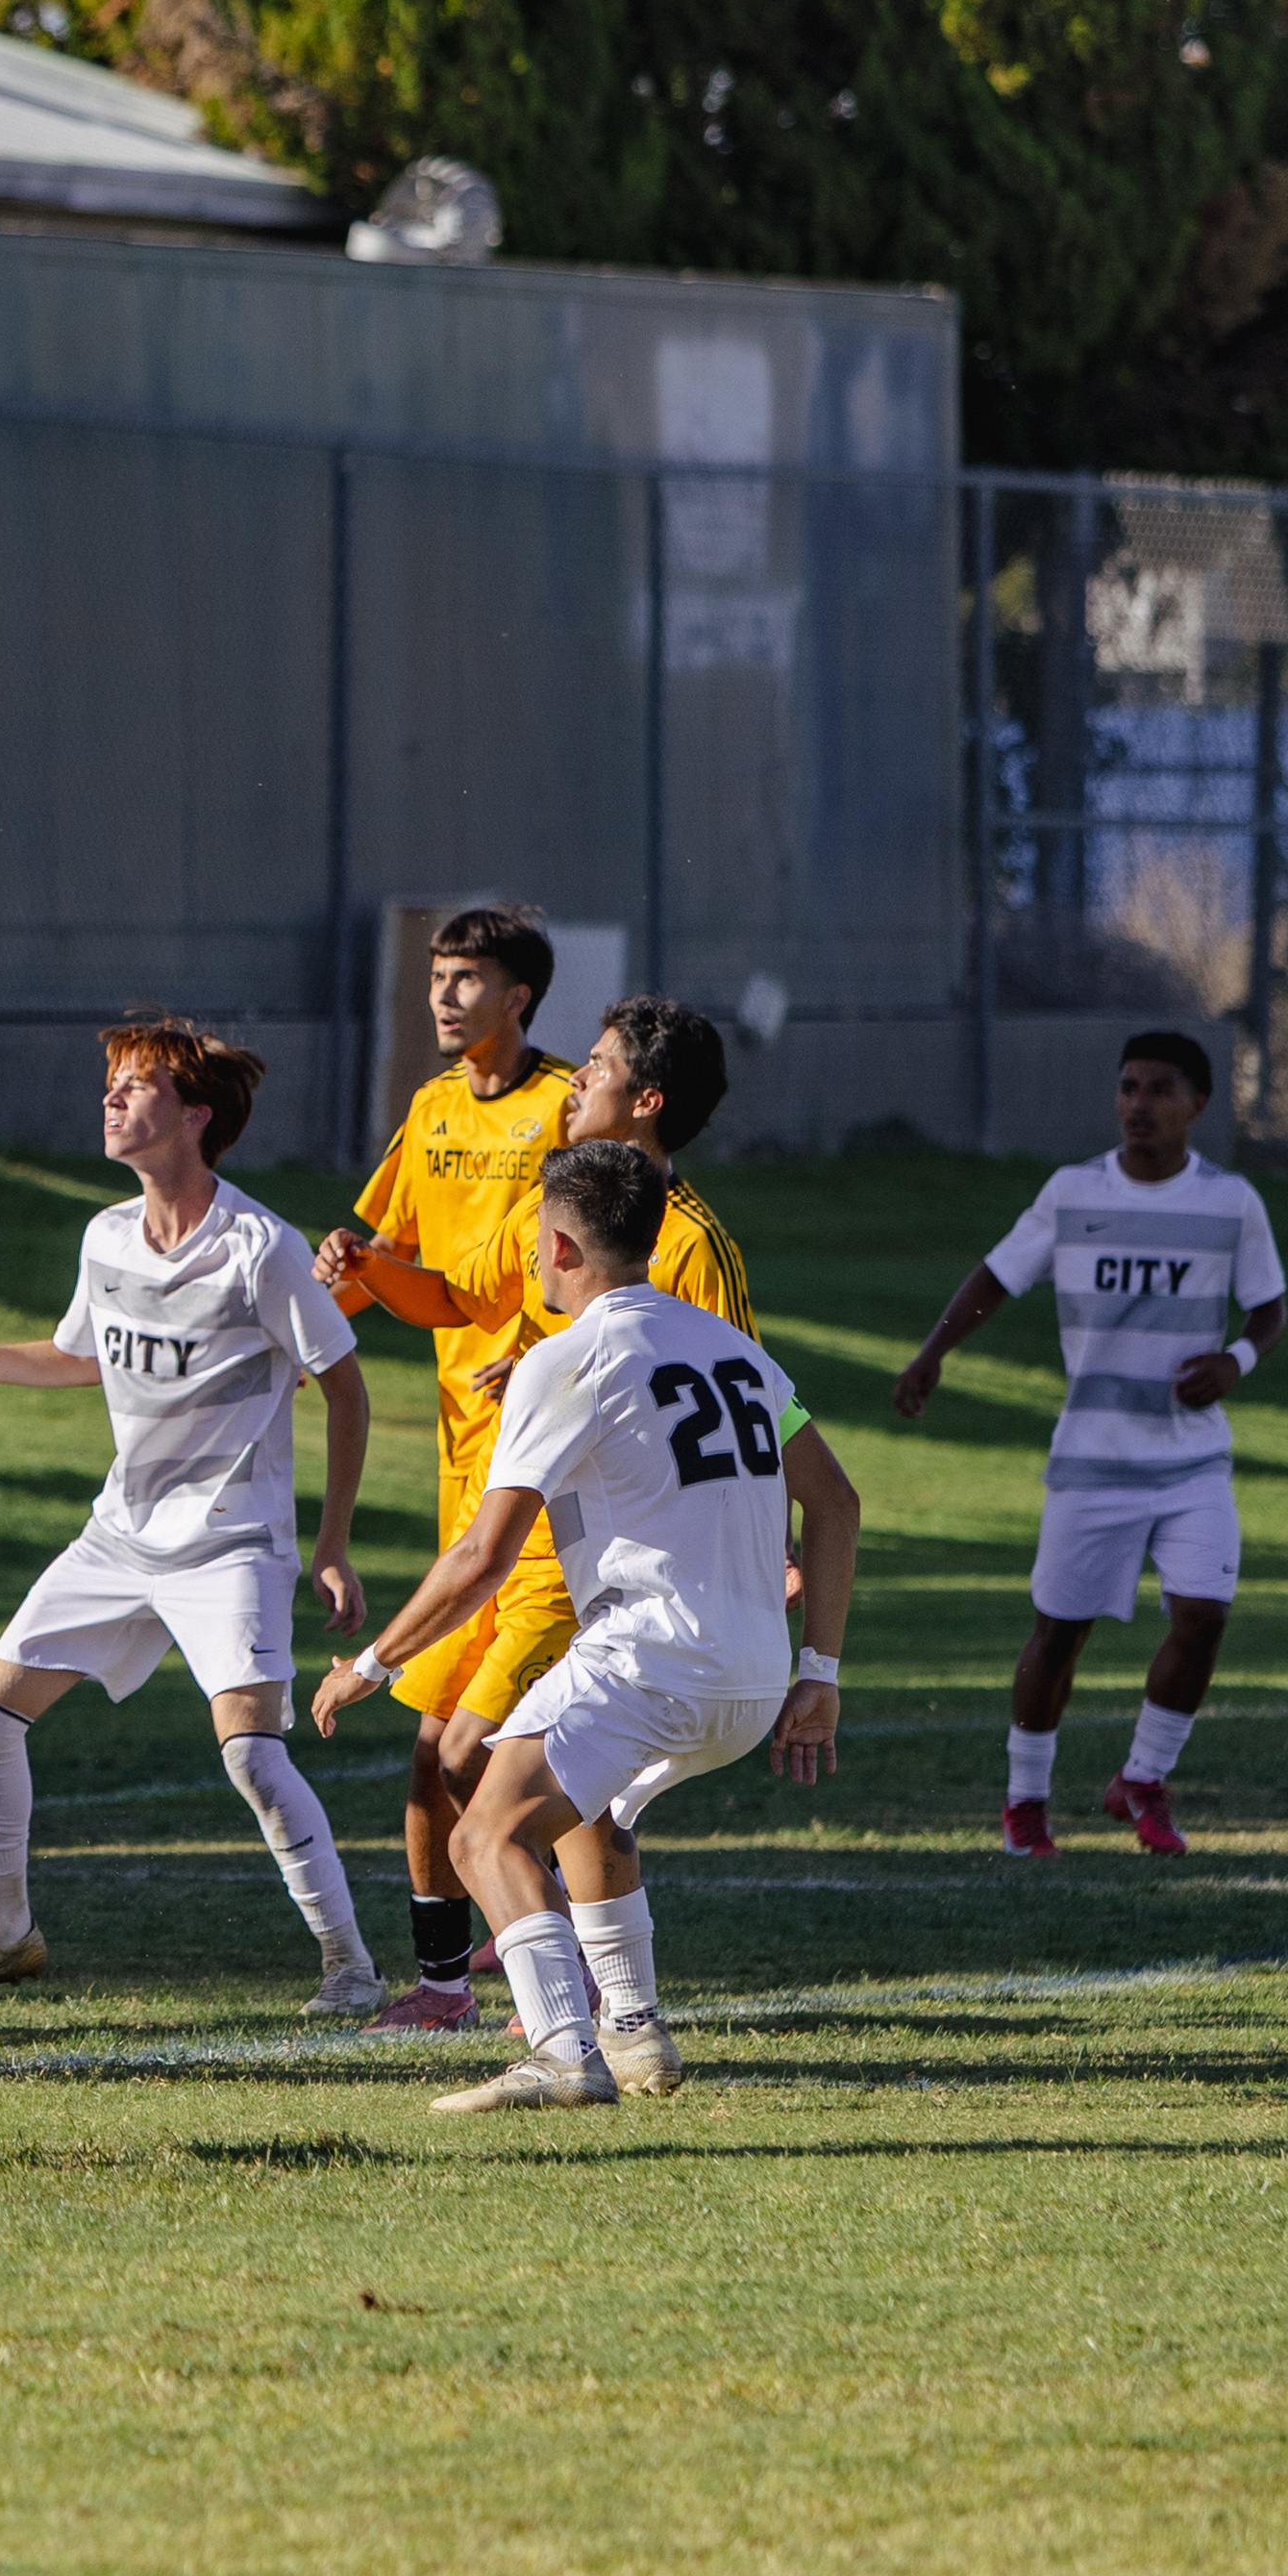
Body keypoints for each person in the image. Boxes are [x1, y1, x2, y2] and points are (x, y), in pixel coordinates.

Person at [311, 1138, 863, 2113]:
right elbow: (838, 1501)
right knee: (579, 1807)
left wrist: (376, 1660)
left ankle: (564, 2048)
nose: (528, 1256)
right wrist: (820, 1668)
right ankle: (637, 2032)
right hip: (753, 1675)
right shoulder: (738, 1351)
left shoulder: (567, 1360)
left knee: (485, 1831)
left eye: (532, 1237)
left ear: (561, 1243)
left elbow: (482, 1556)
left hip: (650, 1655)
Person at [0, 1022, 379, 2012]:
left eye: (136, 1087)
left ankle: (350, 1966)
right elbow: (83, 1354)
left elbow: (346, 1391)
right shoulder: (105, 1235)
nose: (111, 1101)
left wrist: (331, 1544)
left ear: (196, 1117)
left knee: (252, 1757)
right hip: (120, 1534)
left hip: (229, 1542)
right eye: (111, 1085)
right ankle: (4, 1935)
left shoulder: (262, 1249)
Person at [317, 994, 758, 1934]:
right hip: (493, 1526)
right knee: (451, 1761)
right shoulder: (548, 1205)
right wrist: (363, 1272)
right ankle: (479, 1984)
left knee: (503, 1775)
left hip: (588, 1561)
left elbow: (735, 1406)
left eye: (597, 1064)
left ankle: (567, 1991)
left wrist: (779, 1547)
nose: (577, 1077)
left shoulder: (693, 1244)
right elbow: (455, 1295)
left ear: (646, 1100)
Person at [890, 1029, 1287, 1856]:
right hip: (1091, 1460)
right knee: (1059, 1634)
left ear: (1198, 1104)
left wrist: (1236, 1360)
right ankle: (1025, 1801)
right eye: (1128, 1087)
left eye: (1160, 1089)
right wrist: (933, 1354)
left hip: (1191, 1459)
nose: (1139, 1104)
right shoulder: (1073, 1193)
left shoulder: (1230, 1203)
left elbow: (1270, 1308)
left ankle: (1142, 1778)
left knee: (1204, 1616)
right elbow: (997, 1275)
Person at [312, 905, 575, 2029]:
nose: (444, 998)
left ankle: (556, 1969)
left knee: (468, 1752)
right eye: (436, 978)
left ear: (520, 995)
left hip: (549, 1485)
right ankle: (448, 1986)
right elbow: (377, 1258)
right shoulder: (426, 1112)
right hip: (466, 1480)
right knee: (438, 1764)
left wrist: (538, 1345)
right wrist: (335, 1274)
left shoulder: (569, 1106)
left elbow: (599, 1252)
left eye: (467, 979)